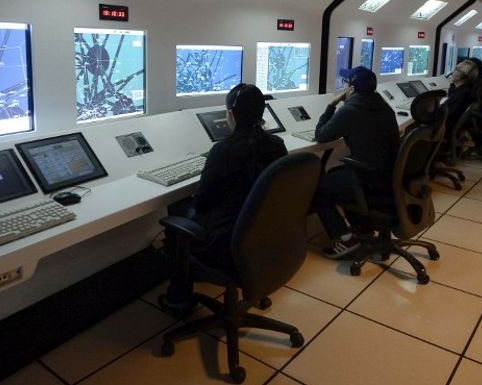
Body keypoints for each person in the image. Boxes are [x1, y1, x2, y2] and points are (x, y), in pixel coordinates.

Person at [162, 83, 287, 314]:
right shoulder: (277, 145)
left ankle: (179, 299)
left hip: (228, 244)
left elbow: (202, 201)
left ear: (230, 114)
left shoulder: (224, 150)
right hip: (264, 239)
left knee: (177, 211)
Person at [311, 66, 400, 259]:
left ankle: (344, 239)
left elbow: (321, 135)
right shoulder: (384, 106)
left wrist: (331, 105)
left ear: (351, 88)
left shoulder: (350, 110)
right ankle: (362, 227)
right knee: (337, 173)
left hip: (370, 178)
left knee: (319, 186)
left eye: (345, 83)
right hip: (388, 174)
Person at [445, 60, 480, 139]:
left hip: (444, 130)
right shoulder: (466, 89)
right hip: (452, 129)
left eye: (457, 69)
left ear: (464, 76)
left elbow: (442, 113)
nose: (453, 71)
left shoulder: (460, 94)